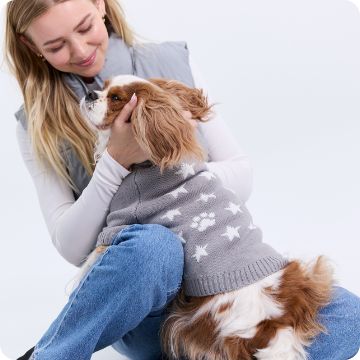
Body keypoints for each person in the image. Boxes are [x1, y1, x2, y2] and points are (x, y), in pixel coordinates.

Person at [3, 0, 360, 359]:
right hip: (144, 313)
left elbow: (241, 175)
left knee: (347, 313)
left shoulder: (173, 61)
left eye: (84, 28)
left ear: (100, 5)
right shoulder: (34, 121)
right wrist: (115, 161)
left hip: (221, 297)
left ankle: (219, 351)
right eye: (56, 45)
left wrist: (173, 163)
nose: (79, 50)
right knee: (155, 247)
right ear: (31, 46)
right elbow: (71, 246)